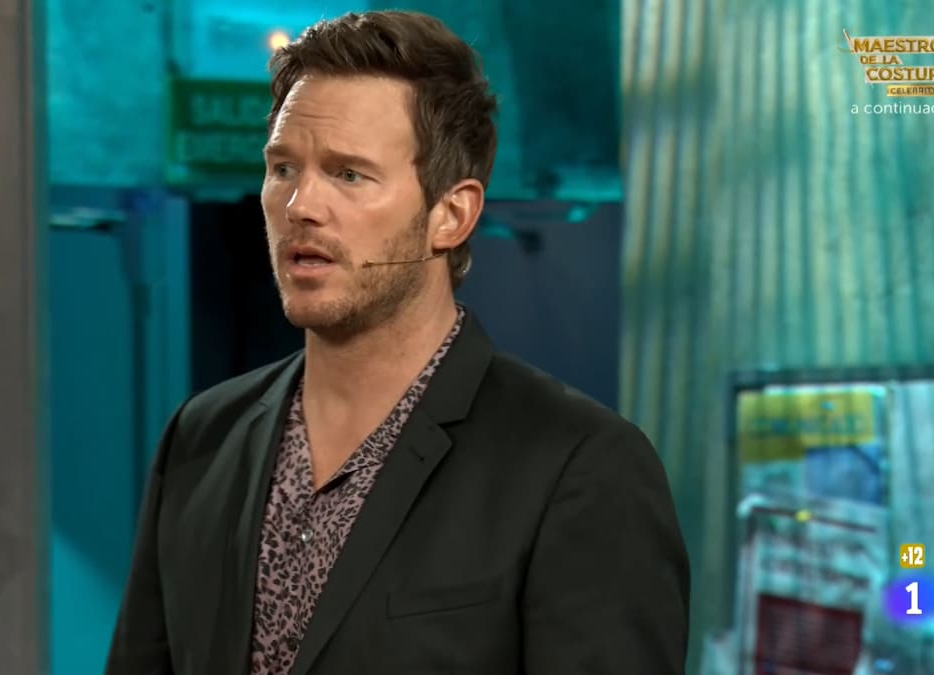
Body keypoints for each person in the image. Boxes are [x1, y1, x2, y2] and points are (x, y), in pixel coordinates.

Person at [105, 10, 689, 675]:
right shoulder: (202, 437)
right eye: (283, 168)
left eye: (349, 174)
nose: (300, 206)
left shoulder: (578, 467)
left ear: (451, 214)